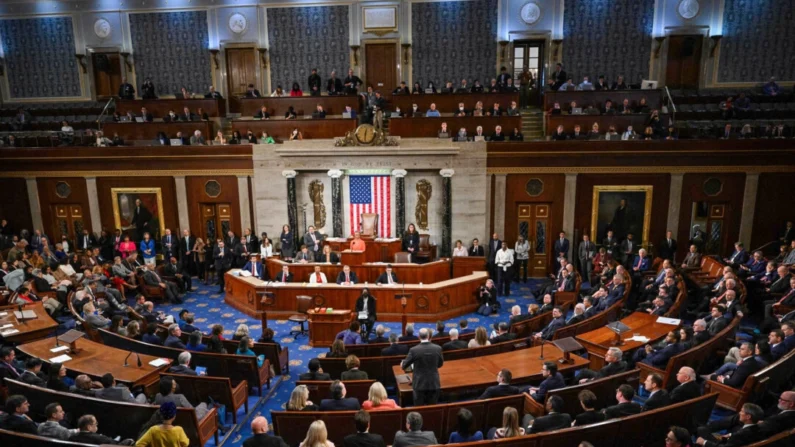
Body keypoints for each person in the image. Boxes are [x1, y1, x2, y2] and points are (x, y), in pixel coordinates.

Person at [401, 328, 443, 405]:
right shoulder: (438, 348)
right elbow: (440, 364)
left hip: (419, 384)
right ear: (428, 336)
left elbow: (404, 366)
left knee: (419, 408)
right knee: (432, 408)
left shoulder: (413, 350)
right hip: (433, 383)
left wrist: (413, 366)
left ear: (419, 337)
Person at [695, 403, 765, 446]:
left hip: (724, 444)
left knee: (701, 430)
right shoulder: (758, 427)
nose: (739, 413)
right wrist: (731, 434)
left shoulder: (741, 434)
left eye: (742, 411)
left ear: (748, 417)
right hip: (729, 441)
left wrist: (704, 442)